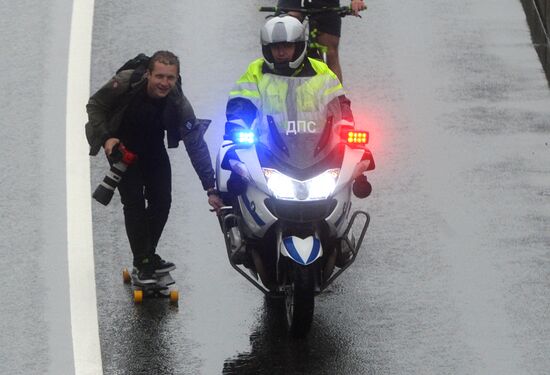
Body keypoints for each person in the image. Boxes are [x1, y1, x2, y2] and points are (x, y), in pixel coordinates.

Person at [85, 50, 224, 284]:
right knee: (134, 202)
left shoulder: (178, 100)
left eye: (170, 78)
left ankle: (146, 256)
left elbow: (196, 144)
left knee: (162, 201)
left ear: (176, 78)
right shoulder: (127, 81)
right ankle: (144, 261)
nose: (164, 83)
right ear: (149, 74)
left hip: (152, 146)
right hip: (122, 146)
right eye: (159, 76)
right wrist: (107, 138)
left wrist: (210, 188)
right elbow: (95, 105)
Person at [276, 0, 366, 83]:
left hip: (325, 5)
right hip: (292, 4)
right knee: (285, 40)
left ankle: (338, 97)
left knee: (331, 52)